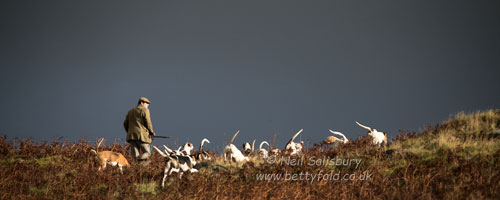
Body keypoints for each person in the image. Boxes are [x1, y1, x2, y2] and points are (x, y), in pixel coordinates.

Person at [123, 97, 156, 161]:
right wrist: (151, 132)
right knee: (147, 153)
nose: (147, 106)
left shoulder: (130, 111)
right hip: (142, 136)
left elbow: (125, 123)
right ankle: (141, 162)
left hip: (131, 136)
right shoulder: (145, 110)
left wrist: (129, 132)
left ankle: (137, 168)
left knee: (135, 156)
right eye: (146, 104)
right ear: (141, 103)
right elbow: (148, 122)